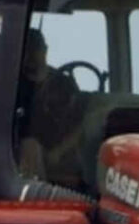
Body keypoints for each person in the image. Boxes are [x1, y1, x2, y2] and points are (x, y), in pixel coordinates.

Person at [15, 27, 86, 182]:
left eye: (36, 48)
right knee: (30, 146)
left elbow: (82, 125)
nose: (31, 55)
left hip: (64, 152)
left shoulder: (64, 83)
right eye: (27, 49)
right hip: (25, 155)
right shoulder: (14, 88)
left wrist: (59, 152)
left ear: (45, 50)